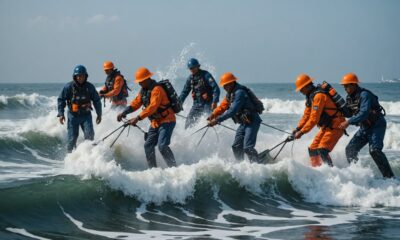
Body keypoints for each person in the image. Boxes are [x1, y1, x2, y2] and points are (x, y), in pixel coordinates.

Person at [117, 67, 176, 168]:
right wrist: (124, 112)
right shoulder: (143, 90)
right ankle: (153, 170)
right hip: (155, 122)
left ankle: (174, 169)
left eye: (141, 81)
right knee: (148, 145)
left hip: (167, 120)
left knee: (162, 146)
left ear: (147, 79)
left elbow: (152, 107)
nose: (139, 83)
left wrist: (137, 118)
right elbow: (136, 103)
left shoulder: (157, 89)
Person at [338, 73, 395, 178]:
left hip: (377, 126)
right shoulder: (349, 98)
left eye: (347, 86)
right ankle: (358, 175)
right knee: (350, 150)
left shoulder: (365, 95)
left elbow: (364, 113)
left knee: (375, 151)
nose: (345, 88)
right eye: (344, 86)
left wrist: (348, 122)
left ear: (354, 85)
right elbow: (349, 113)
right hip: (364, 128)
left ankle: (390, 178)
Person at [292, 74, 346, 167]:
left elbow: (314, 119)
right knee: (313, 149)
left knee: (322, 150)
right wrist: (298, 128)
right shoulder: (310, 96)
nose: (300, 91)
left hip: (337, 125)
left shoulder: (319, 96)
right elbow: (306, 115)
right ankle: (317, 170)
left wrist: (301, 132)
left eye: (301, 89)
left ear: (306, 86)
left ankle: (331, 173)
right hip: (327, 127)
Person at [208, 72, 262, 163]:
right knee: (236, 146)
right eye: (223, 86)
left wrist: (217, 120)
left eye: (225, 85)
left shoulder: (239, 93)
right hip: (244, 123)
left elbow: (232, 111)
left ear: (232, 83)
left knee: (248, 147)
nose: (224, 88)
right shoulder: (230, 94)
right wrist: (213, 115)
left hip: (252, 121)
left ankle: (257, 165)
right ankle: (241, 164)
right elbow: (223, 106)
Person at [57, 65, 102, 152]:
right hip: (73, 116)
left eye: (82, 75)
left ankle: (90, 156)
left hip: (86, 116)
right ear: (75, 76)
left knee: (89, 136)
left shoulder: (90, 87)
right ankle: (70, 157)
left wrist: (99, 114)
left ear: (86, 76)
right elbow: (61, 100)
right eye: (78, 76)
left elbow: (97, 101)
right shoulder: (68, 87)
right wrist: (61, 114)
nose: (80, 78)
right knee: (72, 139)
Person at [179, 58, 220, 128]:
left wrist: (215, 102)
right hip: (196, 105)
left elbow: (216, 89)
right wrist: (178, 103)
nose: (192, 70)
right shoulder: (190, 79)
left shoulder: (206, 75)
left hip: (208, 104)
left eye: (193, 68)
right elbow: (184, 92)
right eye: (190, 68)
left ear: (198, 66)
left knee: (208, 124)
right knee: (188, 124)